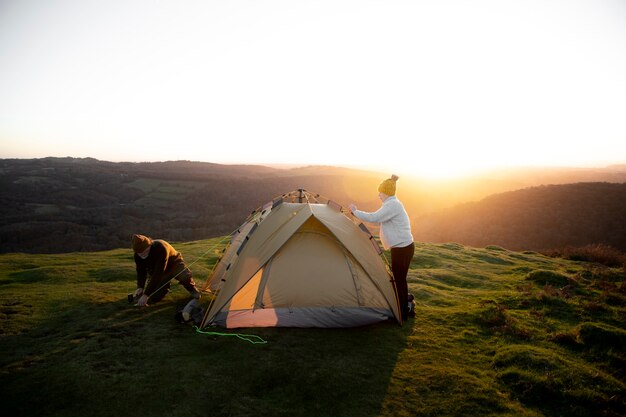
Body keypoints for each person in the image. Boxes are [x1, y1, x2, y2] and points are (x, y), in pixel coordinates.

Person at [348, 175, 415, 321]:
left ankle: (404, 310)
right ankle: (406, 303)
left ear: (386, 192)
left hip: (402, 248)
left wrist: (354, 211)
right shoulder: (392, 204)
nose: (378, 195)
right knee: (400, 279)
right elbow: (378, 218)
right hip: (404, 247)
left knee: (399, 279)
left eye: (380, 192)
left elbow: (374, 218)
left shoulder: (392, 205)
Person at [131, 234, 201, 307]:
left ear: (150, 245)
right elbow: (141, 272)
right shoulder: (137, 256)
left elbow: (158, 274)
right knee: (155, 298)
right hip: (156, 269)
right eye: (140, 253)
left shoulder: (161, 248)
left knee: (184, 276)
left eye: (145, 251)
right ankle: (164, 288)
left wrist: (146, 295)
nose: (143, 255)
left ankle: (192, 289)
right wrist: (140, 287)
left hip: (174, 264)